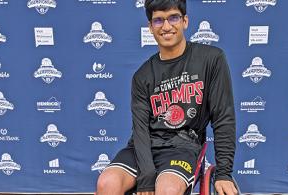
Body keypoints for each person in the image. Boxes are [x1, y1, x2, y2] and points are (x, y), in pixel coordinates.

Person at [96, 0, 237, 194]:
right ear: (150, 27)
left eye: (173, 18)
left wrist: (223, 174)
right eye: (158, 20)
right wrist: (146, 176)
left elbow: (223, 119)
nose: (166, 26)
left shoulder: (211, 59)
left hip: (183, 146)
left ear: (185, 21)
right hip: (145, 147)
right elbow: (140, 129)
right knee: (107, 183)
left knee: (167, 189)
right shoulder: (142, 75)